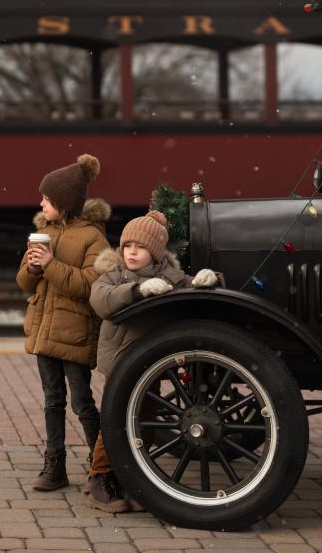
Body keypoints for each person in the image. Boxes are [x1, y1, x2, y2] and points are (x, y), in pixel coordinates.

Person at [86, 209, 222, 513]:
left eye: (141, 247)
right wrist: (137, 290)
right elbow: (101, 299)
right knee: (115, 420)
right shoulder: (115, 275)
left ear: (156, 252)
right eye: (128, 247)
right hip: (122, 363)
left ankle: (131, 476)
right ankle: (99, 478)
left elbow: (190, 286)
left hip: (152, 366)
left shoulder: (169, 277)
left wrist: (209, 280)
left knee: (144, 422)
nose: (132, 253)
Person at [16, 153, 111, 492]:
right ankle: (54, 465)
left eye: (46, 198)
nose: (41, 203)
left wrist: (52, 264)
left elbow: (90, 285)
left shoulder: (93, 238)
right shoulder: (43, 231)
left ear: (64, 202)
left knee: (82, 403)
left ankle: (101, 465)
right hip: (44, 333)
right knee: (52, 401)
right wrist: (33, 267)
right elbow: (25, 284)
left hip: (74, 337)